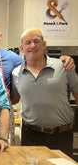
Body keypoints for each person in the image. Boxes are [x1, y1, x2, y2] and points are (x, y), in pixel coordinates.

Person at [0, 20, 76, 145]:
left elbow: (33, 62)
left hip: (3, 116)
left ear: (0, 36)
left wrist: (66, 59)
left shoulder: (12, 58)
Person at [10, 27, 78, 158]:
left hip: (61, 135)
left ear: (44, 44)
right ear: (22, 48)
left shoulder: (63, 66)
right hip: (31, 135)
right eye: (28, 42)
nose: (33, 45)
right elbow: (15, 99)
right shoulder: (16, 73)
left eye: (37, 41)